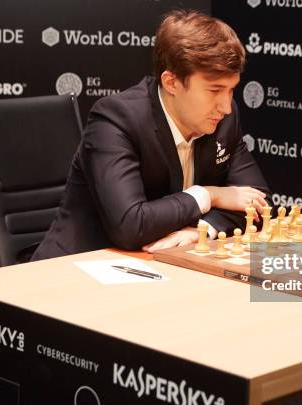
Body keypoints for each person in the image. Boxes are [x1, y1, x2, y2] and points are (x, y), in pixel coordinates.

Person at [32, 10, 270, 261]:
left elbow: (258, 202)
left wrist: (201, 230)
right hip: (77, 268)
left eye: (231, 90)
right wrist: (209, 195)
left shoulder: (224, 118)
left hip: (158, 267)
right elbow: (129, 225)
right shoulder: (116, 119)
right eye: (215, 90)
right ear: (171, 82)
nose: (225, 105)